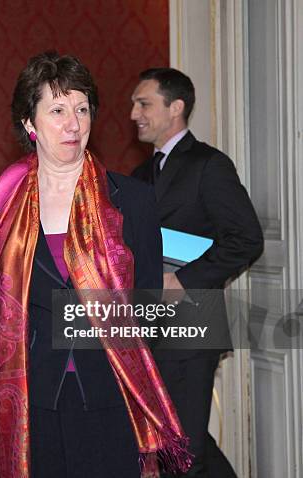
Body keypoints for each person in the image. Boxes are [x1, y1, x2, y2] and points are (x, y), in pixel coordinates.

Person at [0, 51, 192, 478]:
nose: (73, 123)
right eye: (57, 110)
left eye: (82, 109)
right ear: (29, 124)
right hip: (31, 394)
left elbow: (148, 307)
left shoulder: (132, 200)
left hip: (113, 388)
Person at [130, 67, 264, 477]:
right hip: (150, 326)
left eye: (144, 103)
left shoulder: (209, 164)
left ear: (176, 107)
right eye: (134, 105)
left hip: (192, 322)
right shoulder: (139, 175)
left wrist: (182, 280)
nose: (134, 113)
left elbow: (246, 239)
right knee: (177, 440)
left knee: (183, 451)